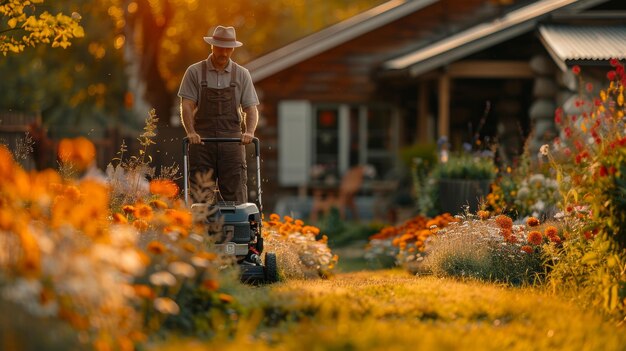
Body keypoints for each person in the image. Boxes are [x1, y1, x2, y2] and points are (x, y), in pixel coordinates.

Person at [178, 25, 260, 204]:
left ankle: (236, 230)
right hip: (202, 143)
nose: (224, 53)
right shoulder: (194, 72)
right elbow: (187, 105)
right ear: (212, 46)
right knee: (201, 197)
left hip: (232, 143)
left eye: (228, 49)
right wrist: (191, 132)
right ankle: (201, 231)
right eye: (220, 48)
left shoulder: (242, 74)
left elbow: (251, 108)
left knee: (236, 197)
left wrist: (249, 132)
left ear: (233, 49)